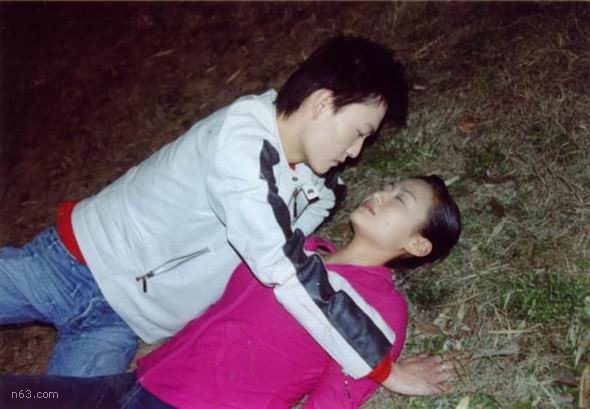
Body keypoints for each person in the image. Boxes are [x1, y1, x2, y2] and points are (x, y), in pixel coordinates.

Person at [0, 36, 409, 379]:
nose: (356, 152)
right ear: (321, 104)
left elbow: (260, 274)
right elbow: (284, 269)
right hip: (71, 266)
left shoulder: (322, 190)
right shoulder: (240, 143)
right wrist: (381, 366)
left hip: (120, 325)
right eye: (358, 132)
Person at [0, 175, 462, 409]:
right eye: (389, 186)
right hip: (140, 381)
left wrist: (388, 373)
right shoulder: (300, 247)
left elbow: (336, 397)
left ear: (417, 244)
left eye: (400, 199)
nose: (381, 194)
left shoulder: (383, 308)